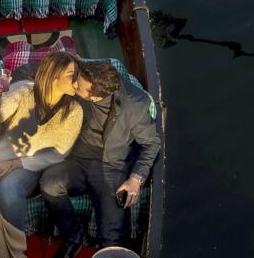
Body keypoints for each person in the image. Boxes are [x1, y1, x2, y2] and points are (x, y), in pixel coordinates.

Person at [38, 61, 162, 258]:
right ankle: (74, 236)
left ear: (94, 98)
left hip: (112, 165)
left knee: (111, 238)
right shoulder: (84, 73)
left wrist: (136, 179)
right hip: (78, 159)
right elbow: (48, 69)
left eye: (78, 86)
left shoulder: (134, 104)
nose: (74, 85)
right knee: (50, 183)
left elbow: (152, 144)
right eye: (76, 80)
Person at [0, 51, 84, 258]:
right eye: (71, 75)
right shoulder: (22, 92)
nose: (77, 80)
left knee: (10, 190)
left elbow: (59, 154)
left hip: (25, 164)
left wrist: (15, 163)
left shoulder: (73, 111)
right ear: (53, 74)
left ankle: (13, 248)